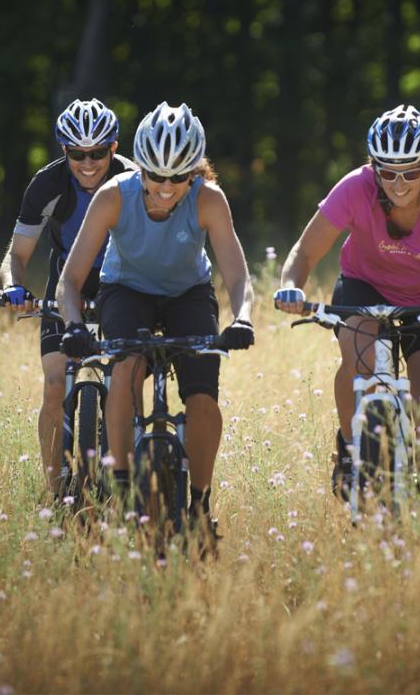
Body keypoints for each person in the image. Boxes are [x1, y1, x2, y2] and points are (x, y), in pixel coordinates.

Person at [273, 105, 420, 495]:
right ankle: (349, 448)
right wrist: (291, 285)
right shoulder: (354, 188)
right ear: (373, 167)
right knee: (359, 366)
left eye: (411, 172)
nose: (398, 183)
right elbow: (304, 253)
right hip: (366, 289)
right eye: (387, 172)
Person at [56, 101, 254, 548]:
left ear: (194, 174)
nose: (165, 189)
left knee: (202, 397)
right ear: (140, 169)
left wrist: (242, 318)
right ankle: (124, 489)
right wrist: (73, 325)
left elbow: (238, 276)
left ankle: (200, 507)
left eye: (178, 178)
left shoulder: (209, 200)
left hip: (189, 294)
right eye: (155, 177)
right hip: (127, 290)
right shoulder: (113, 196)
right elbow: (70, 280)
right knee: (125, 367)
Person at [0, 98, 136, 500]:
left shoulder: (133, 179)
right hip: (66, 284)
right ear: (64, 151)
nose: (88, 162)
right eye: (77, 153)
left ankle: (126, 483)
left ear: (114, 147)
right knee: (55, 385)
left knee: (129, 380)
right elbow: (16, 255)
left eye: (97, 152)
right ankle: (56, 495)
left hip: (120, 283)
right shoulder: (48, 184)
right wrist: (13, 287)